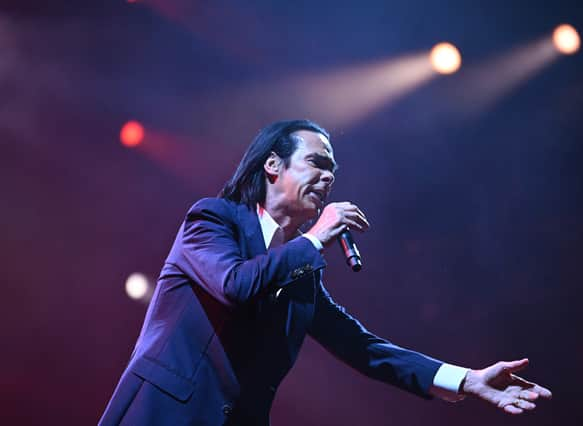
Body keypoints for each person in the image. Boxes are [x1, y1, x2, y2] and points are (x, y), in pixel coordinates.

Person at [99, 119, 551, 425]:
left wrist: (466, 379)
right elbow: (234, 284)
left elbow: (361, 346)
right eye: (317, 163)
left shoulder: (300, 273)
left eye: (333, 170)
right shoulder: (213, 220)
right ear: (272, 165)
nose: (328, 177)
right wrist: (315, 238)